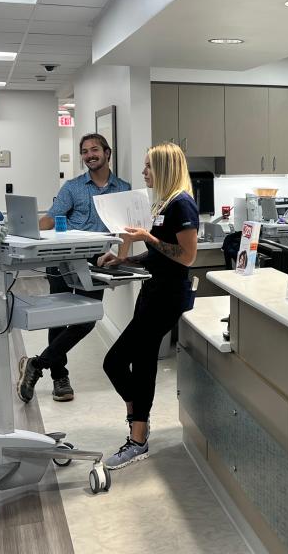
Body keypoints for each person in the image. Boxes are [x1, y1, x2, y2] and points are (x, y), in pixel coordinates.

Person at [98, 142, 199, 469]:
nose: (143, 173)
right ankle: (138, 428)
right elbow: (157, 255)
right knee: (134, 364)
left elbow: (186, 257)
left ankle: (137, 431)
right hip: (153, 293)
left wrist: (148, 237)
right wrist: (124, 259)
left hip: (167, 298)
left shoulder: (183, 205)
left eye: (148, 167)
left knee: (120, 362)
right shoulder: (166, 204)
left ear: (165, 169)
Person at [16, 133, 130, 404]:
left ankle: (36, 364)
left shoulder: (123, 188)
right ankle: (59, 378)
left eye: (94, 150)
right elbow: (52, 219)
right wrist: (23, 231)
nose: (89, 155)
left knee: (87, 319)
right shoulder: (73, 188)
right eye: (84, 151)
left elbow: (128, 229)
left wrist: (121, 258)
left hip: (98, 261)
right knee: (58, 318)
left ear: (107, 153)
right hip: (63, 260)